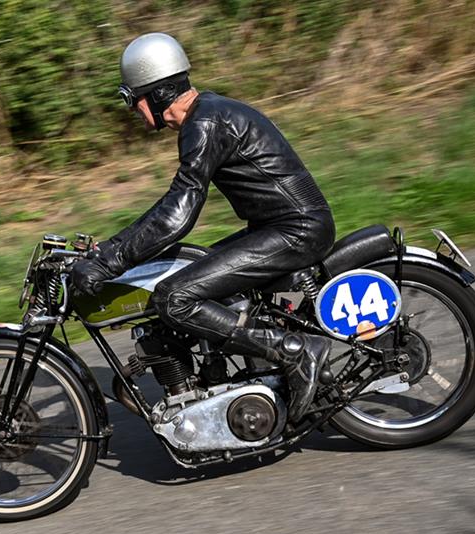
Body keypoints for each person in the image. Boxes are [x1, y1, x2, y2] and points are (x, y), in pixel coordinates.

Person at [72, 33, 336, 423]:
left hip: (296, 230)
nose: (133, 111)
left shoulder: (206, 122)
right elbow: (172, 205)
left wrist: (111, 260)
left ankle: (294, 352)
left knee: (174, 298)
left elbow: (179, 211)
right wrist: (111, 250)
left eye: (133, 99)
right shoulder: (208, 114)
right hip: (282, 226)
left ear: (158, 93)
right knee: (192, 268)